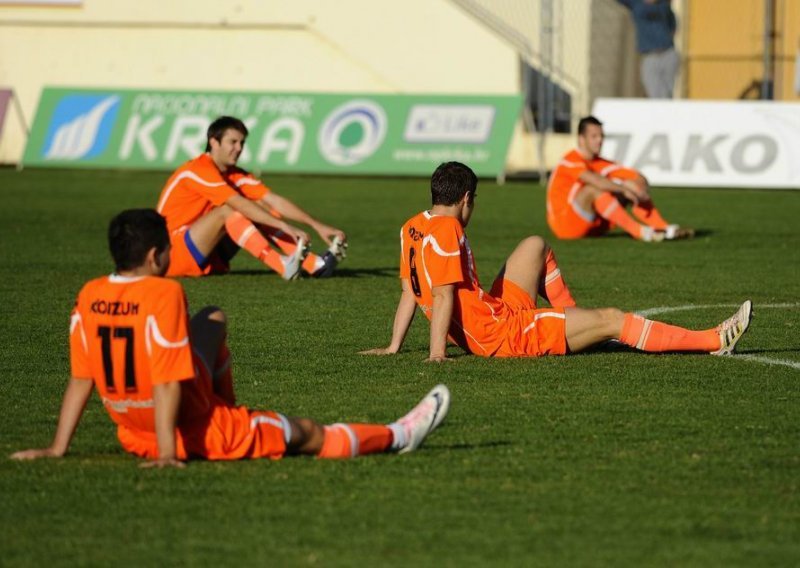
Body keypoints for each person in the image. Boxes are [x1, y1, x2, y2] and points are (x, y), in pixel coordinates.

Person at [11, 209, 449, 467]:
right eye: (167, 248)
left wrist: (56, 448)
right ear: (154, 256)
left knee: (211, 317)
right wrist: (168, 454)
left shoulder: (90, 294)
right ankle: (397, 435)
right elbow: (166, 380)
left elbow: (81, 379)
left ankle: (223, 405)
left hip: (132, 433)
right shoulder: (162, 292)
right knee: (307, 432)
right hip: (197, 431)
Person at [362, 161, 751, 361]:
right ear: (466, 198)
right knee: (612, 318)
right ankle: (714, 339)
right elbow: (442, 295)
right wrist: (437, 355)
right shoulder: (450, 231)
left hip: (494, 314)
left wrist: (395, 346)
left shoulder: (412, 227)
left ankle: (572, 324)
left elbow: (410, 291)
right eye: (474, 201)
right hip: (501, 335)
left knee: (534, 245)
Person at [156, 116, 348, 280]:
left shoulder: (235, 174)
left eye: (242, 143)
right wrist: (283, 226)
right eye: (233, 142)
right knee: (230, 209)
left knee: (258, 205)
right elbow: (237, 203)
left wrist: (315, 224)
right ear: (214, 142)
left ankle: (314, 265)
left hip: (205, 249)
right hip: (170, 253)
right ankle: (281, 265)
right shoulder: (197, 170)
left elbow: (273, 200)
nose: (239, 148)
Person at [547, 115, 693, 242]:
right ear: (581, 139)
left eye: (601, 136)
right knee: (595, 189)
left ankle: (664, 229)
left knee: (629, 186)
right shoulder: (570, 160)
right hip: (565, 226)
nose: (599, 141)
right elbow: (596, 181)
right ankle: (640, 232)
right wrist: (624, 189)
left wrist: (638, 187)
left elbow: (637, 177)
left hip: (593, 225)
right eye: (594, 136)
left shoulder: (602, 163)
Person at [617, 0, 680, 99]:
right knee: (656, 93)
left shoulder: (663, 5)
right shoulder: (636, 4)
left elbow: (673, 26)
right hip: (650, 56)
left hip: (668, 54)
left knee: (667, 94)